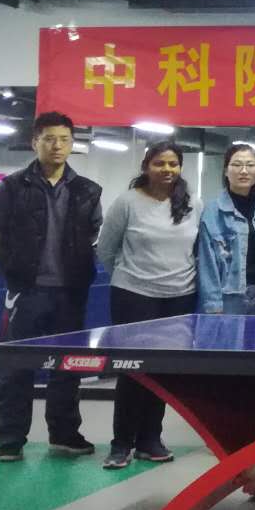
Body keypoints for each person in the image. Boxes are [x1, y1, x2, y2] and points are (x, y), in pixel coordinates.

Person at [0, 112, 103, 462]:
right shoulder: (11, 187)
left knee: (68, 367)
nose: (57, 146)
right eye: (49, 139)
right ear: (35, 142)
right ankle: (10, 439)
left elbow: (93, 232)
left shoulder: (87, 190)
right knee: (16, 367)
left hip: (70, 292)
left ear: (72, 144)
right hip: (26, 291)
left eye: (64, 139)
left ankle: (64, 435)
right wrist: (22, 260)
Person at [97, 140, 200, 469]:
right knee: (133, 372)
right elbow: (106, 249)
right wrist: (130, 277)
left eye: (173, 163)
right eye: (159, 163)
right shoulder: (127, 202)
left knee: (162, 372)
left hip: (180, 295)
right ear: (146, 167)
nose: (167, 169)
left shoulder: (193, 203)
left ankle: (150, 439)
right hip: (133, 296)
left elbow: (196, 249)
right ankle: (121, 443)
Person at [197, 143, 255, 315]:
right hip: (228, 297)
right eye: (236, 165)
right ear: (226, 171)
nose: (244, 171)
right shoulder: (213, 211)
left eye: (250, 165)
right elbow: (207, 262)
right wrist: (213, 303)